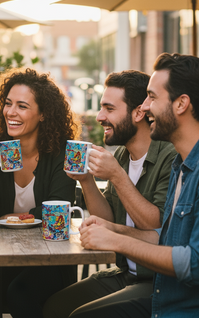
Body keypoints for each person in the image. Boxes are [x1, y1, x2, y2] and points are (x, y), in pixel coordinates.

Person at [72, 53, 199, 318]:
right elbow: (162, 237)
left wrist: (117, 239)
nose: (146, 106)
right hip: (152, 286)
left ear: (181, 104)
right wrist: (88, 182)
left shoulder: (178, 162)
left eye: (152, 97)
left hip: (170, 298)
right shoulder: (181, 165)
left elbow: (191, 262)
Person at [43, 70, 176, 318]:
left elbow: (155, 226)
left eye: (109, 109)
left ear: (139, 113)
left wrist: (116, 175)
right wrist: (87, 181)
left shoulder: (169, 156)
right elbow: (111, 221)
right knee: (54, 307)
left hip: (157, 281)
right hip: (126, 273)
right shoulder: (123, 156)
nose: (100, 116)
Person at [0, 67, 81, 318]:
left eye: (22, 106)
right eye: (8, 104)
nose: (11, 112)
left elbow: (56, 208)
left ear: (42, 114)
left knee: (20, 293)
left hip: (49, 256)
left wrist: (14, 218)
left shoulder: (60, 152)